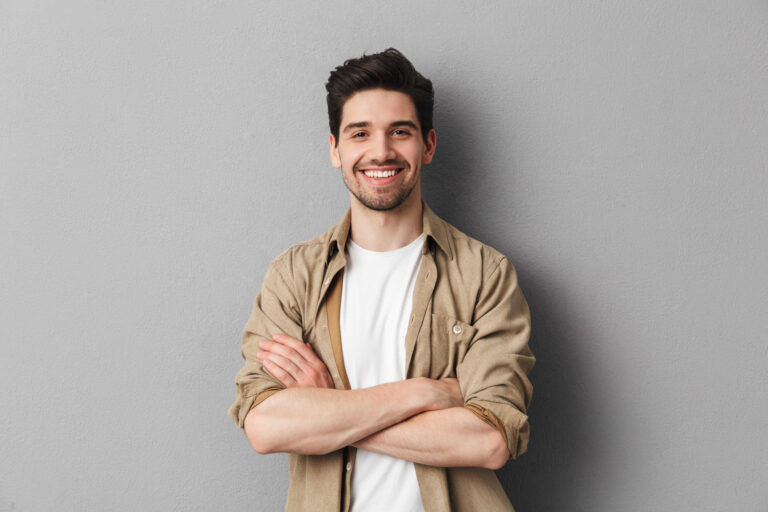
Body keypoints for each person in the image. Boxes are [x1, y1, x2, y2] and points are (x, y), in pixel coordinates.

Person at [228, 48, 534, 512]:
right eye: (360, 133)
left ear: (427, 145)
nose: (381, 151)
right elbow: (267, 427)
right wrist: (427, 393)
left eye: (400, 132)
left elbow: (489, 439)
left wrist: (329, 409)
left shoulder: (485, 275)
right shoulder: (294, 276)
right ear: (335, 149)